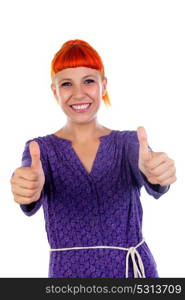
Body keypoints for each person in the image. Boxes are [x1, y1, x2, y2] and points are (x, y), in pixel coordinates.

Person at [10, 39, 176, 278]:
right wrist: (27, 187)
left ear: (103, 85)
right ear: (54, 91)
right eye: (67, 83)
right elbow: (29, 182)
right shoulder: (40, 150)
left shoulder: (128, 143)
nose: (79, 93)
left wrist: (157, 174)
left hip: (132, 273)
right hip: (70, 276)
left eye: (88, 81)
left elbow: (149, 170)